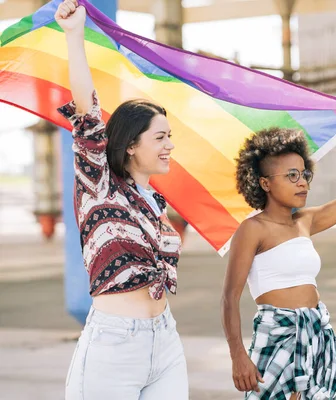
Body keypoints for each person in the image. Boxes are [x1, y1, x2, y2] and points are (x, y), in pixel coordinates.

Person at [55, 1, 188, 398]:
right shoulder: (98, 186)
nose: (170, 146)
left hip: (165, 340)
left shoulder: (155, 201)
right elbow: (88, 113)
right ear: (130, 145)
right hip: (113, 345)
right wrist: (74, 35)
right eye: (160, 138)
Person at [221, 105, 336, 399]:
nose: (302, 182)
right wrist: (238, 356)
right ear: (265, 183)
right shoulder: (252, 229)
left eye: (305, 174)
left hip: (317, 335)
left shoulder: (305, 221)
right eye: (292, 175)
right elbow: (229, 298)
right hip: (278, 336)